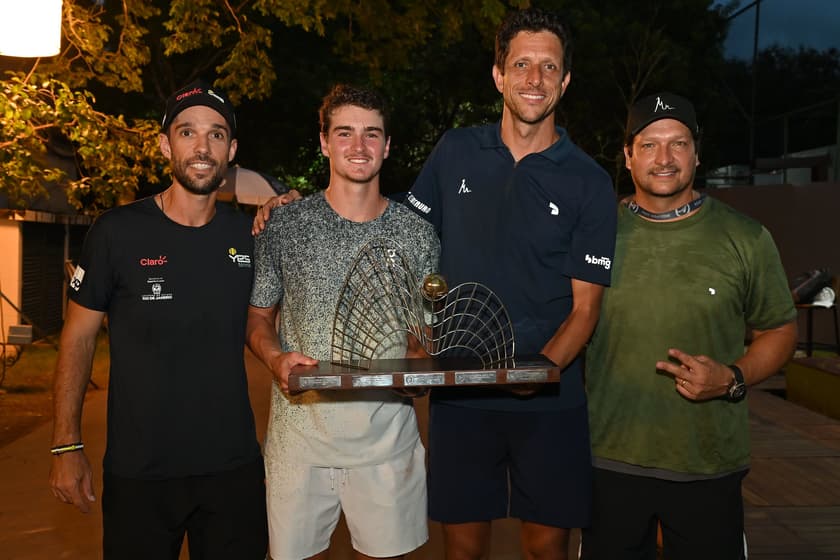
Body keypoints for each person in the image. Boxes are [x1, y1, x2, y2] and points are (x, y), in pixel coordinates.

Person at [404, 7, 617, 560]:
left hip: (550, 400)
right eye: (521, 64)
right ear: (498, 75)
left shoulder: (589, 181)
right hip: (461, 395)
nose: (534, 79)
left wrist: (540, 372)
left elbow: (585, 309)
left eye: (549, 67)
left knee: (546, 549)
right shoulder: (455, 151)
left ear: (565, 82)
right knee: (464, 549)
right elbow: (406, 243)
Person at [49, 79, 269, 559]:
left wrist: (286, 205)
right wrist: (67, 446)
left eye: (216, 134)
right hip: (140, 475)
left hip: (231, 470)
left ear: (231, 149)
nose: (202, 146)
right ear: (165, 144)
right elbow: (78, 339)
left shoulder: (251, 236)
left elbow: (268, 320)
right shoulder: (116, 232)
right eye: (187, 132)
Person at [580, 92, 798, 560]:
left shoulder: (746, 238)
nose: (664, 159)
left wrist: (732, 378)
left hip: (708, 464)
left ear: (698, 152)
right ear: (627, 155)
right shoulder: (592, 233)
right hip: (609, 460)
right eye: (649, 144)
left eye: (677, 144)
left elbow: (779, 330)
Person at [246, 84, 440, 560]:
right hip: (300, 445)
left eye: (372, 134)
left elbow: (424, 336)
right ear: (324, 142)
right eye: (345, 133)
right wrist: (275, 359)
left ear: (387, 145)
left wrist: (420, 366)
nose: (359, 147)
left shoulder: (418, 234)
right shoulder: (285, 226)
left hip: (387, 447)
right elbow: (257, 319)